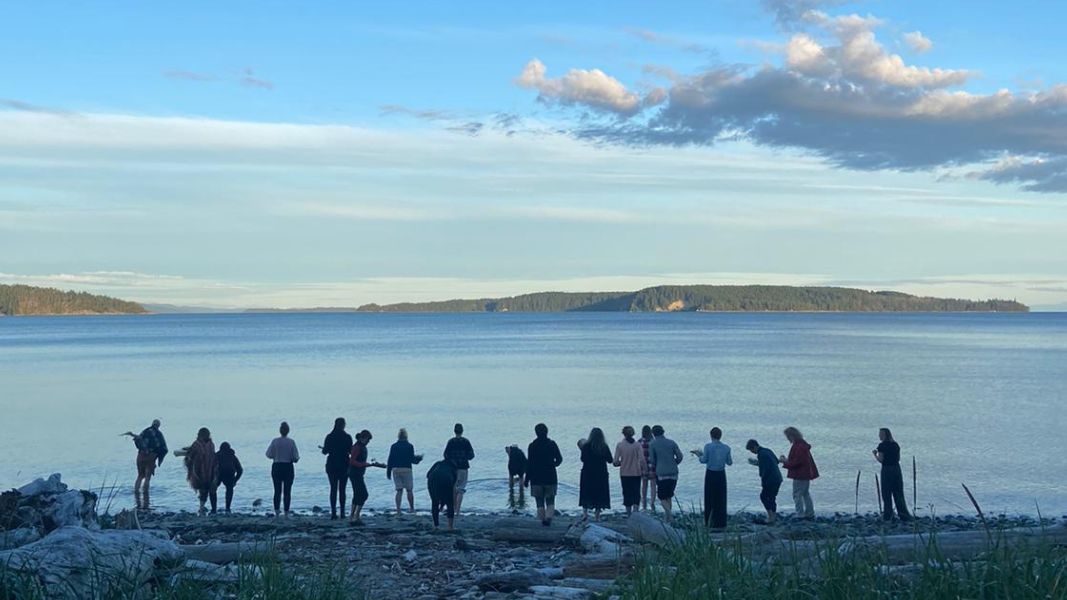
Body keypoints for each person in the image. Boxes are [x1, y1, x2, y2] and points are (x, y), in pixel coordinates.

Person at [525, 423, 563, 526]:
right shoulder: (552, 444)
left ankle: (541, 522)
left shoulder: (532, 446)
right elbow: (559, 459)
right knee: (550, 501)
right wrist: (553, 465)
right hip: (550, 476)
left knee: (539, 502)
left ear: (536, 433)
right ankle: (549, 518)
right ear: (547, 432)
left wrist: (526, 480)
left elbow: (529, 464)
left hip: (536, 477)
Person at [695, 427, 732, 529]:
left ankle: (709, 521)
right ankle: (721, 522)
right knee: (721, 498)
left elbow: (704, 460)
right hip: (721, 474)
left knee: (709, 498)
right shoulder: (726, 448)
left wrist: (699, 455)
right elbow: (729, 462)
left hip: (711, 474)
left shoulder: (708, 446)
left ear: (711, 435)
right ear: (720, 436)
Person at [778, 426, 818, 520]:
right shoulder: (802, 445)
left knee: (797, 494)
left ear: (792, 436)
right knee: (805, 493)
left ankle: (800, 514)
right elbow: (798, 461)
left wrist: (784, 461)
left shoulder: (799, 446)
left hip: (800, 474)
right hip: (805, 473)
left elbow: (796, 462)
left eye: (788, 436)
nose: (787, 438)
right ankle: (810, 513)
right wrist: (787, 461)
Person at [348, 429, 386, 525]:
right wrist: (363, 464)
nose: (368, 442)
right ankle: (355, 515)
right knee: (363, 494)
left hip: (357, 473)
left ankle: (352, 516)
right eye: (367, 440)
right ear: (362, 438)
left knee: (357, 494)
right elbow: (352, 461)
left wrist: (373, 464)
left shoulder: (361, 446)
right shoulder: (357, 447)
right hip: (355, 473)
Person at [127, 419, 167, 510]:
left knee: (140, 476)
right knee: (147, 477)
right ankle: (146, 495)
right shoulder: (159, 435)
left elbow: (138, 439)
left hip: (141, 456)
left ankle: (136, 494)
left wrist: (132, 435)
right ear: (158, 426)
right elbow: (163, 448)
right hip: (151, 457)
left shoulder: (145, 431)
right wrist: (159, 459)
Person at [874, 428, 911, 521]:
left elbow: (881, 460)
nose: (879, 436)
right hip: (896, 469)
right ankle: (903, 514)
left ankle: (888, 515)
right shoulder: (895, 445)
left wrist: (875, 454)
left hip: (887, 469)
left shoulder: (882, 446)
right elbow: (898, 458)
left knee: (886, 493)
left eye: (880, 434)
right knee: (898, 492)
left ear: (884, 435)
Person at [648, 425, 684, 523]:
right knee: (669, 495)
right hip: (673, 472)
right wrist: (674, 462)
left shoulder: (652, 444)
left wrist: (658, 465)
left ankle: (670, 515)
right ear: (663, 432)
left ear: (653, 433)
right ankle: (667, 518)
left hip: (661, 473)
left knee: (662, 497)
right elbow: (680, 456)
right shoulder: (671, 443)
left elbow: (652, 460)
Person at [321, 418, 353, 520]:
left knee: (333, 489)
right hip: (344, 464)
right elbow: (350, 451)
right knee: (342, 489)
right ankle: (342, 512)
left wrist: (326, 449)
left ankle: (333, 513)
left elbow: (325, 451)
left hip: (332, 464)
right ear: (343, 425)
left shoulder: (329, 436)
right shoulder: (347, 437)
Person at [578, 428, 613, 521]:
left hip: (587, 473)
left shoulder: (586, 446)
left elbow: (582, 459)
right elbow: (610, 460)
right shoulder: (604, 446)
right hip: (601, 474)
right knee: (600, 494)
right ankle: (597, 516)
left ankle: (585, 514)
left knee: (586, 493)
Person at [266, 421, 300, 517]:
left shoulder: (275, 441)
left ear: (280, 430)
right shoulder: (291, 442)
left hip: (276, 466)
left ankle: (277, 511)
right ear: (288, 431)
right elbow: (295, 458)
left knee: (277, 490)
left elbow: (268, 454)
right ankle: (286, 511)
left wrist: (276, 455)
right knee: (287, 491)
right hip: (288, 467)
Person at [746, 439, 783, 524]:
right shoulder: (767, 450)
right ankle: (773, 516)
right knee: (772, 497)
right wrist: (757, 463)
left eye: (752, 450)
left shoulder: (761, 454)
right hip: (778, 478)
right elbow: (776, 461)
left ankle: (770, 516)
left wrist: (763, 481)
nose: (752, 452)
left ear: (755, 447)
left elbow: (765, 469)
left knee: (764, 496)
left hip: (771, 479)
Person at [387, 428, 423, 515]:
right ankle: (411, 508)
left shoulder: (393, 446)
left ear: (398, 436)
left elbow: (390, 459)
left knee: (399, 490)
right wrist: (418, 459)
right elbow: (412, 459)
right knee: (409, 490)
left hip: (396, 469)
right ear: (406, 436)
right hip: (407, 469)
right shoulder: (410, 446)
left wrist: (388, 471)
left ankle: (398, 510)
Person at [443, 423, 475, 518]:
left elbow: (445, 455)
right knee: (461, 489)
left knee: (454, 488)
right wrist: (465, 457)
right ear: (462, 431)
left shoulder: (451, 442)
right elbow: (471, 455)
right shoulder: (466, 442)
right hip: (463, 467)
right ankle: (458, 511)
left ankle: (452, 509)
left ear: (454, 431)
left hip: (453, 468)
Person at [185, 427, 218, 515]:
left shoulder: (197, 444)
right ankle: (204, 507)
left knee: (203, 489)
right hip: (207, 470)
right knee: (205, 489)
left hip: (201, 470)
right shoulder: (211, 444)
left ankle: (202, 507)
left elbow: (190, 456)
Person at [613, 426, 644, 516]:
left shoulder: (620, 445)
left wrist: (621, 462)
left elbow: (615, 461)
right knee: (636, 492)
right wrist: (644, 469)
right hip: (636, 472)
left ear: (623, 434)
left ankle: (629, 513)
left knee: (626, 493)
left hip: (625, 473)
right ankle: (636, 512)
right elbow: (642, 459)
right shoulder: (637, 445)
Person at [426, 459, 458, 529]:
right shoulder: (454, 468)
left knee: (434, 502)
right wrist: (443, 503)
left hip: (432, 478)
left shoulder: (438, 463)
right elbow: (452, 485)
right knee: (450, 503)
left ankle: (436, 526)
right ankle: (450, 526)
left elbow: (428, 475)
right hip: (446, 479)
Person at [216, 442, 243, 513]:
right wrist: (236, 480)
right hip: (229, 473)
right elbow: (240, 470)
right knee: (229, 490)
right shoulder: (232, 456)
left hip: (219, 473)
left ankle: (213, 508)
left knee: (213, 490)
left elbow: (210, 467)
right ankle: (228, 508)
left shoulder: (217, 455)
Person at [639, 425, 657, 512]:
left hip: (643, 466)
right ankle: (653, 502)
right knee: (653, 485)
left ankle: (644, 503)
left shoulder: (639, 442)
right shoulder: (654, 441)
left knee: (644, 485)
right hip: (653, 466)